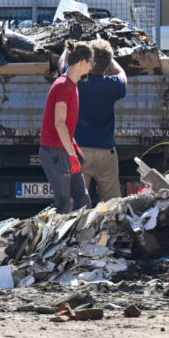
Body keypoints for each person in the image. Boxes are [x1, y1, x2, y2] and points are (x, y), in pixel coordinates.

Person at [66, 39, 126, 204]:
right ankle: (111, 230)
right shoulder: (113, 85)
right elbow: (122, 75)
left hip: (80, 153)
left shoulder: (76, 81)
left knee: (77, 207)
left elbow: (62, 65)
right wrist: (110, 61)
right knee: (113, 205)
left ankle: (80, 230)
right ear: (106, 65)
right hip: (106, 153)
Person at [39, 42, 93, 214]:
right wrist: (71, 155)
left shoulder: (71, 85)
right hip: (55, 152)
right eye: (91, 62)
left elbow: (66, 127)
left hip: (62, 149)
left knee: (82, 199)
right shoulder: (64, 87)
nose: (91, 67)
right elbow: (59, 123)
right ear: (82, 62)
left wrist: (74, 148)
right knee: (64, 203)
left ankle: (82, 239)